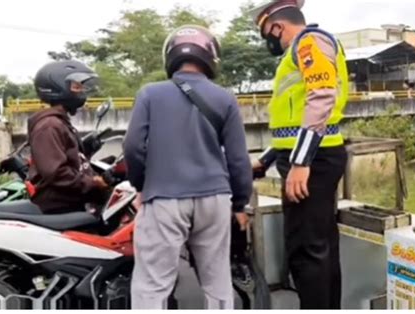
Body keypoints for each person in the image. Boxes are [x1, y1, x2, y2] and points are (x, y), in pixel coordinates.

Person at [124, 25, 253, 309]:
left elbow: (132, 147)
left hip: (165, 199)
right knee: (217, 283)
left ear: (170, 55)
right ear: (211, 56)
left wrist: (142, 186)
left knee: (152, 286)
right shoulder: (225, 98)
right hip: (215, 199)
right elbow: (238, 159)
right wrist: (241, 204)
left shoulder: (150, 94)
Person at [249, 0, 349, 309]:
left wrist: (301, 161)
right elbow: (293, 122)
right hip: (311, 156)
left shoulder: (310, 43)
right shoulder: (300, 51)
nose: (270, 40)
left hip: (312, 161)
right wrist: (265, 160)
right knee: (320, 248)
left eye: (268, 33)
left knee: (307, 252)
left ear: (277, 27)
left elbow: (321, 99)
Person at [27, 60, 108, 214]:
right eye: (76, 86)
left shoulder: (60, 122)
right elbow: (57, 174)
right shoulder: (49, 126)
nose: (81, 91)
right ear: (58, 87)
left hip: (71, 203)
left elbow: (71, 162)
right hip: (60, 208)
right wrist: (93, 183)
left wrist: (87, 151)